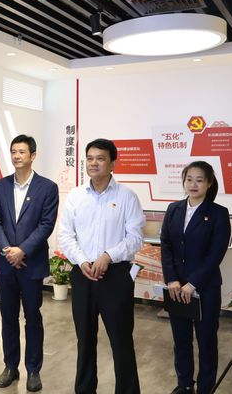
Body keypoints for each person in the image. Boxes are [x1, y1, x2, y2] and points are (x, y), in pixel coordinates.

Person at [58, 138, 145, 394]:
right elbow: (65, 235)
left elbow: (135, 238)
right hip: (83, 275)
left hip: (115, 276)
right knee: (84, 340)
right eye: (90, 158)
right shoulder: (76, 196)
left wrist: (108, 256)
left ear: (112, 163)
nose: (93, 163)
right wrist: (82, 260)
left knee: (121, 340)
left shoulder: (127, 197)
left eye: (100, 158)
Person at [0, 134, 59, 392]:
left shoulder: (47, 187)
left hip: (31, 264)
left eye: (22, 152)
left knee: (32, 317)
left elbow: (46, 225)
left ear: (33, 155)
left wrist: (23, 251)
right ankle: (10, 366)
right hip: (6, 263)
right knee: (8, 317)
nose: (17, 156)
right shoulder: (1, 185)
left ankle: (33, 369)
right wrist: (8, 250)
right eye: (14, 152)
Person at [160, 161, 231, 394]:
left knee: (206, 342)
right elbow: (166, 245)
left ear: (209, 183)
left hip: (205, 289)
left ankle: (205, 388)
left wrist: (193, 283)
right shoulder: (174, 209)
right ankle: (185, 385)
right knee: (181, 340)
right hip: (176, 288)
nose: (193, 184)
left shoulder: (218, 213)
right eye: (189, 179)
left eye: (199, 180)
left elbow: (215, 254)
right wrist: (172, 279)